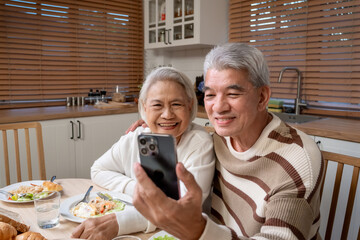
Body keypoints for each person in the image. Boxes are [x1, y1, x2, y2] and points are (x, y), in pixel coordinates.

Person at [132, 43, 324, 240]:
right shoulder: (219, 138)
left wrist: (198, 230)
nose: (219, 107)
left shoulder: (296, 159)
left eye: (232, 94)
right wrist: (150, 124)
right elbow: (191, 132)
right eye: (210, 94)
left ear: (262, 97)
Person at [71, 67, 215, 239]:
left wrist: (122, 222)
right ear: (145, 107)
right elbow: (98, 170)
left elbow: (182, 209)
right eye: (157, 105)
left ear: (190, 105)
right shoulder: (137, 136)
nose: (167, 114)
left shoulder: (199, 143)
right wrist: (139, 189)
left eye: (176, 104)